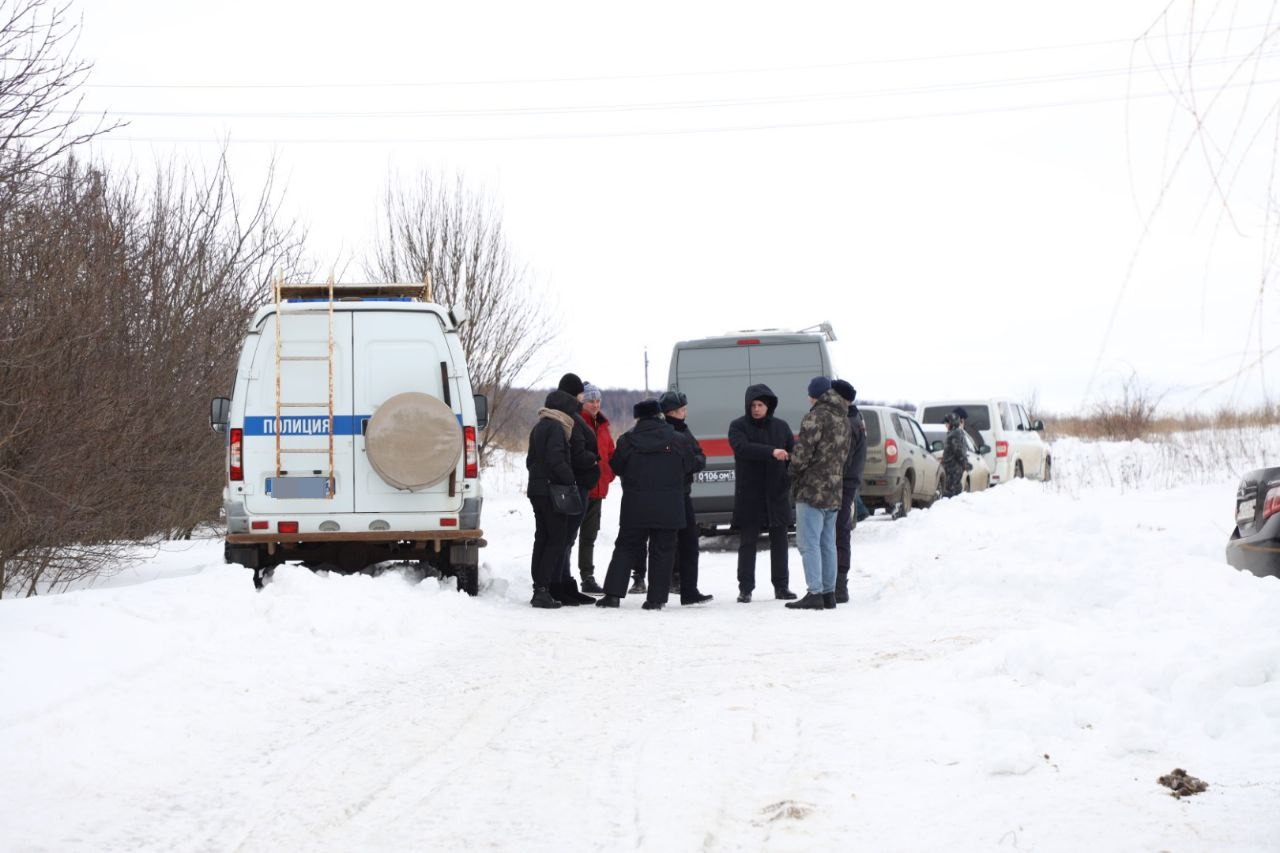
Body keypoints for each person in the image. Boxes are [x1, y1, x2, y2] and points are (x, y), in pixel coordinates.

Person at [596, 399, 696, 610]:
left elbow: (617, 466)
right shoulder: (678, 439)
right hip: (670, 505)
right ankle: (656, 599)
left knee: (625, 547)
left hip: (636, 504)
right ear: (660, 415)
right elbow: (690, 464)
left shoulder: (627, 440)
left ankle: (613, 595)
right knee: (663, 549)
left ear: (638, 417)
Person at [785, 376, 851, 610]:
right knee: (827, 543)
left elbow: (802, 454)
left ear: (814, 395)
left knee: (808, 543)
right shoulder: (843, 418)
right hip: (834, 489)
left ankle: (814, 593)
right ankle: (829, 593)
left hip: (812, 488)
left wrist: (790, 471)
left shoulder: (816, 416)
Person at [728, 384, 797, 603]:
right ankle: (745, 588)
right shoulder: (737, 426)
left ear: (769, 406)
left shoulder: (781, 427)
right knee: (748, 542)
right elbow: (742, 448)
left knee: (780, 542)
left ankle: (781, 587)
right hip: (750, 494)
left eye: (760, 405)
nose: (756, 409)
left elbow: (792, 456)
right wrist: (771, 452)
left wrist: (788, 478)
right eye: (753, 405)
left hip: (777, 492)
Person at [524, 388, 581, 609]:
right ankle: (542, 589)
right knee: (557, 538)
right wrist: (570, 480)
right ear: (563, 410)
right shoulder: (557, 427)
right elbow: (555, 460)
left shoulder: (539, 426)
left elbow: (530, 461)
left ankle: (539, 587)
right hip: (551, 492)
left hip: (538, 490)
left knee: (543, 537)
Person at [659, 390, 713, 606]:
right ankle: (667, 589)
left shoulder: (683, 429)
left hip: (682, 494)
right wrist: (690, 463)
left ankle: (688, 590)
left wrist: (691, 462)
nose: (685, 412)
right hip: (672, 496)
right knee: (671, 544)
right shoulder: (668, 432)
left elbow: (699, 457)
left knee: (689, 542)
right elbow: (692, 460)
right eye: (682, 409)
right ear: (672, 412)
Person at [551, 372, 599, 605]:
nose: (583, 398)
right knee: (566, 537)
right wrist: (593, 458)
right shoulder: (569, 418)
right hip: (575, 485)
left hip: (579, 484)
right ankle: (560, 583)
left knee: (568, 537)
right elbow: (576, 453)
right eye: (580, 394)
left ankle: (565, 582)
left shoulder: (571, 416)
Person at [576, 383, 615, 594]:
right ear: (583, 401)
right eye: (591, 400)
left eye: (598, 400)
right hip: (581, 488)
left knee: (589, 535)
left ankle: (587, 576)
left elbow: (610, 454)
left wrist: (608, 476)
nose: (595, 404)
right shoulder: (577, 422)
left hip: (598, 489)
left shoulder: (603, 426)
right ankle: (562, 575)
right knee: (570, 536)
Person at [831, 379, 866, 604]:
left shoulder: (849, 422)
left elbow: (842, 459)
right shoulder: (855, 417)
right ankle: (838, 583)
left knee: (839, 532)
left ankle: (839, 585)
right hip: (848, 482)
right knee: (840, 531)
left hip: (843, 482)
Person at [941, 408, 971, 498]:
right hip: (952, 468)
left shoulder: (955, 433)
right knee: (954, 491)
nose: (945, 425)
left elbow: (958, 451)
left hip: (953, 469)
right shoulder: (954, 433)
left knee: (951, 493)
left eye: (947, 423)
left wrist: (965, 463)